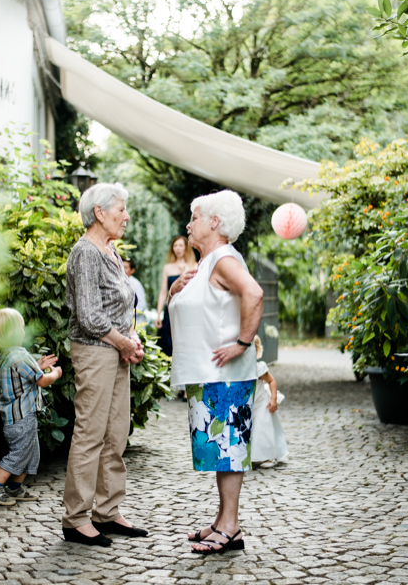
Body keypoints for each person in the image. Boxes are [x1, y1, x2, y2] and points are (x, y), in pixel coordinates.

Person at [168, 190, 264, 554]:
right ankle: (224, 522)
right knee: (223, 452)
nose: (188, 225)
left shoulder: (223, 257)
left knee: (229, 450)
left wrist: (242, 342)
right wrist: (178, 290)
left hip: (227, 376)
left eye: (194, 217)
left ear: (214, 223)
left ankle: (231, 527)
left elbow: (253, 293)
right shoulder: (209, 261)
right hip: (210, 375)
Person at [63, 182, 148, 547]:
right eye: (121, 210)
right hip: (95, 350)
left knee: (115, 432)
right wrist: (123, 342)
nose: (126, 216)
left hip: (115, 349)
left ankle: (108, 511)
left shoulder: (110, 251)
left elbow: (118, 305)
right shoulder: (85, 252)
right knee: (90, 434)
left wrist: (132, 337)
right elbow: (89, 316)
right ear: (99, 212)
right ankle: (76, 517)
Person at [0, 308, 62, 506]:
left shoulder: (7, 356)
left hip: (15, 419)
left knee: (30, 452)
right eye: (21, 327)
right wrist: (56, 374)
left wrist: (37, 365)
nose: (24, 330)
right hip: (22, 417)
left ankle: (14, 488)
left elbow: (21, 375)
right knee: (19, 453)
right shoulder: (20, 356)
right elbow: (42, 381)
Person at [154, 236, 197, 357]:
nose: (177, 248)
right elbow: (163, 292)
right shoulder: (167, 268)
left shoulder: (194, 266)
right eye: (175, 246)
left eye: (180, 245)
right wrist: (158, 314)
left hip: (187, 309)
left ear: (186, 248)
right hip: (171, 308)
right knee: (168, 341)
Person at [251, 335, 288, 469]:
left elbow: (271, 381)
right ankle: (251, 456)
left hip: (262, 404)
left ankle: (267, 456)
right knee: (250, 430)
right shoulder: (238, 370)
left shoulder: (259, 368)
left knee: (262, 430)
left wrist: (273, 399)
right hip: (248, 405)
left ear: (256, 351)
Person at [123, 259, 147, 326]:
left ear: (132, 270)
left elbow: (142, 305)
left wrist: (126, 314)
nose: (122, 269)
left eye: (125, 267)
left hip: (136, 323)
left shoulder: (136, 284)